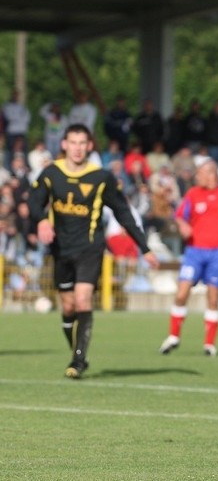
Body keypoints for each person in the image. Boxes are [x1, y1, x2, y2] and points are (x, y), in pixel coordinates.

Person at [28, 123, 159, 379]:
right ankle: (78, 350)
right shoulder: (50, 173)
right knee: (67, 308)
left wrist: (144, 248)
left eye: (82, 143)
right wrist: (42, 220)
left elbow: (123, 213)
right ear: (64, 145)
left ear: (89, 146)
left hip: (90, 248)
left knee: (83, 300)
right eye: (72, 143)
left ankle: (78, 360)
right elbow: (33, 202)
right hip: (61, 250)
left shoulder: (101, 177)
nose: (77, 148)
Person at [159, 159, 218, 357]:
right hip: (194, 252)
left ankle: (209, 344)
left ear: (211, 173)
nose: (197, 177)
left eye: (200, 173)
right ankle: (173, 336)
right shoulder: (193, 194)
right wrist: (183, 226)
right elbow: (180, 216)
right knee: (181, 293)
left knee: (213, 298)